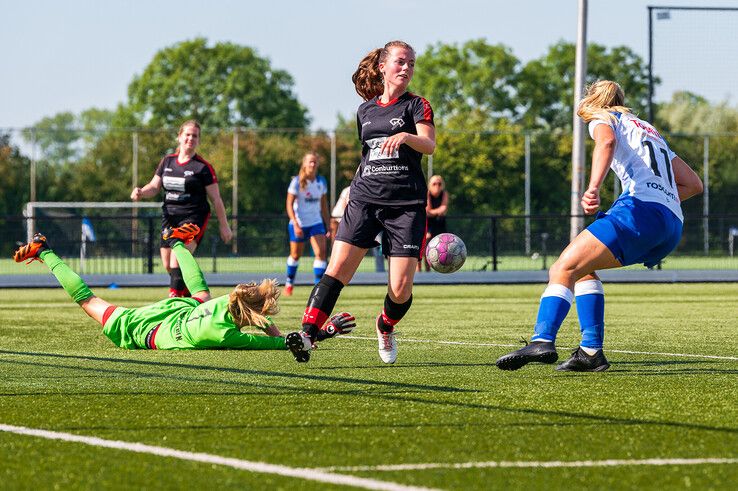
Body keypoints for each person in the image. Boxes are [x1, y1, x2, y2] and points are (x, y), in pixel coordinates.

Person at [495, 80, 703, 372]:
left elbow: (606, 142)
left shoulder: (605, 116)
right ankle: (591, 352)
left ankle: (542, 339)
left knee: (562, 268)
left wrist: (593, 188)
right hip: (671, 224)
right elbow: (694, 184)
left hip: (639, 212)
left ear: (593, 103)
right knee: (582, 267)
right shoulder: (649, 131)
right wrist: (661, 199)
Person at [285, 40, 435, 364]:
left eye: (411, 63)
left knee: (400, 288)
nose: (406, 68)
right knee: (336, 269)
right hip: (365, 200)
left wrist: (407, 137)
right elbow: (367, 155)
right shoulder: (365, 110)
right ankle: (308, 335)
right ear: (383, 66)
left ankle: (385, 324)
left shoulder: (417, 106)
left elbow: (429, 144)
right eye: (400, 62)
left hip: (406, 205)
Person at [12, 224, 355, 351]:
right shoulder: (225, 335)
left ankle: (176, 243)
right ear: (250, 316)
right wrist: (322, 334)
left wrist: (313, 333)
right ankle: (46, 251)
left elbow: (270, 329)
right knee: (88, 300)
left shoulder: (228, 300)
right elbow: (279, 343)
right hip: (143, 331)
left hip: (177, 312)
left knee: (200, 293)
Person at [131, 120, 233, 298]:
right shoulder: (167, 161)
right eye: (187, 134)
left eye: (195, 136)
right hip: (170, 217)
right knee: (169, 265)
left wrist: (224, 225)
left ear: (199, 140)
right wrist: (141, 192)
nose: (190, 138)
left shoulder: (202, 167)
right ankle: (194, 296)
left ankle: (174, 299)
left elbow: (216, 199)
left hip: (193, 217)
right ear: (179, 137)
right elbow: (154, 186)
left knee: (178, 256)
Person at [284, 152, 331, 296]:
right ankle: (289, 283)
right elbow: (289, 204)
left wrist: (327, 225)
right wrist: (296, 224)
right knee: (295, 255)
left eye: (315, 162)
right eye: (310, 162)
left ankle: (318, 289)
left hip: (316, 222)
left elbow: (324, 206)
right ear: (304, 164)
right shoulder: (297, 182)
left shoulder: (321, 181)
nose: (312, 164)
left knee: (321, 253)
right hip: (299, 223)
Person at [418, 174, 449, 272]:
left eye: (439, 184)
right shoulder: (427, 193)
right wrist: (437, 211)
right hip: (427, 223)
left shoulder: (444, 193)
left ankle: (429, 271)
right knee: (423, 247)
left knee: (441, 248)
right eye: (434, 183)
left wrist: (434, 212)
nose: (437, 186)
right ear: (430, 185)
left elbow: (444, 208)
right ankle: (418, 270)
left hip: (439, 224)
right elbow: (428, 211)